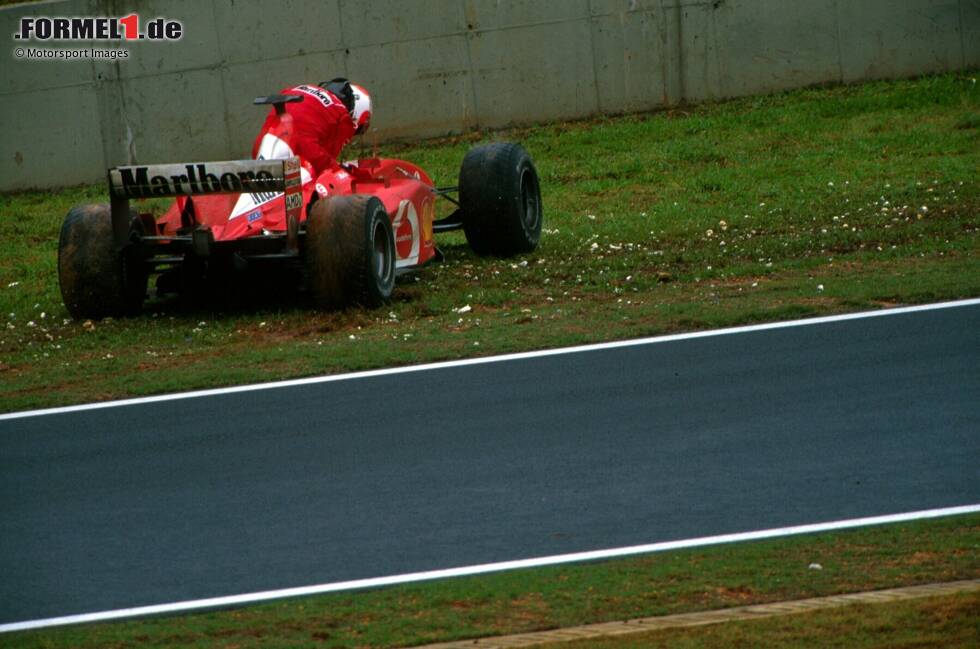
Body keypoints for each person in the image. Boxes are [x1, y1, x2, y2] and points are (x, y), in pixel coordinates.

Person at [251, 78, 372, 176]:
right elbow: (325, 164)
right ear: (357, 112)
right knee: (324, 175)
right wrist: (340, 173)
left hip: (263, 146)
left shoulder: (300, 88)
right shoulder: (342, 115)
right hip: (301, 154)